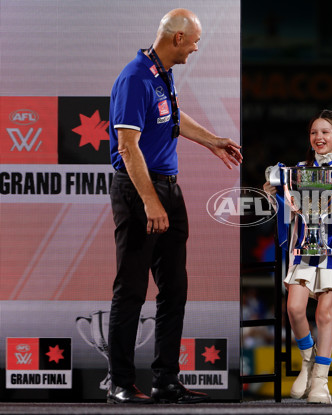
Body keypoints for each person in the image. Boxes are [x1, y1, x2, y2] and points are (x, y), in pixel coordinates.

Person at [107, 9, 242, 404]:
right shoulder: (134, 78)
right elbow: (127, 148)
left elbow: (173, 118)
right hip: (139, 192)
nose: (198, 47)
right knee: (131, 289)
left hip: (169, 189)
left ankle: (165, 380)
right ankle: (120, 384)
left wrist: (213, 140)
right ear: (178, 39)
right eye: (195, 40)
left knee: (174, 289)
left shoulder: (160, 74)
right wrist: (150, 202)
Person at [263, 110, 332, 404]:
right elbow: (284, 209)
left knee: (324, 314)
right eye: (314, 133)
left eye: (325, 132)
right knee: (294, 308)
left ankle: (321, 381)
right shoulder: (296, 171)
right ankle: (308, 361)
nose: (319, 137)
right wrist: (273, 193)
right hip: (305, 247)